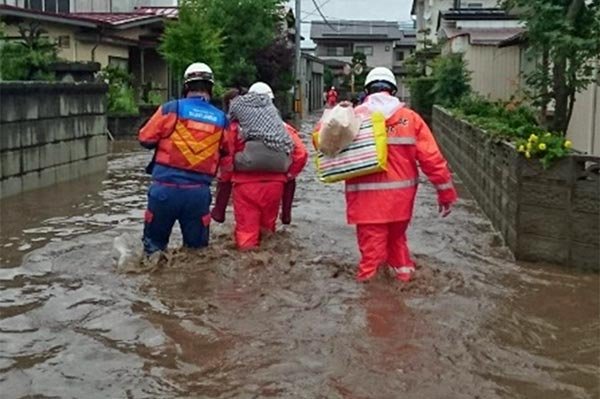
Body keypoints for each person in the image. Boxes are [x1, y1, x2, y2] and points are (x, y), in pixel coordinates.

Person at [317, 67, 457, 283]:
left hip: (367, 205)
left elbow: (322, 143)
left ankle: (376, 308)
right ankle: (403, 287)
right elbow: (432, 159)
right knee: (398, 245)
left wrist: (334, 112)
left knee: (371, 262)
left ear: (367, 90)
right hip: (400, 202)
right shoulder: (410, 119)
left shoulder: (353, 117)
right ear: (393, 90)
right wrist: (445, 192)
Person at [138, 62, 228, 256]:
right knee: (197, 255)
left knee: (153, 251)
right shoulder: (222, 119)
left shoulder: (170, 109)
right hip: (198, 195)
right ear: (210, 88)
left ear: (186, 86)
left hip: (163, 192)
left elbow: (145, 138)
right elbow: (228, 153)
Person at [215, 82, 308, 250]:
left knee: (246, 236)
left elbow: (226, 155)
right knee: (267, 233)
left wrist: (227, 177)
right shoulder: (282, 128)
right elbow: (301, 154)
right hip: (275, 187)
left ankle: (248, 271)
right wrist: (286, 175)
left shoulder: (236, 127)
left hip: (245, 188)